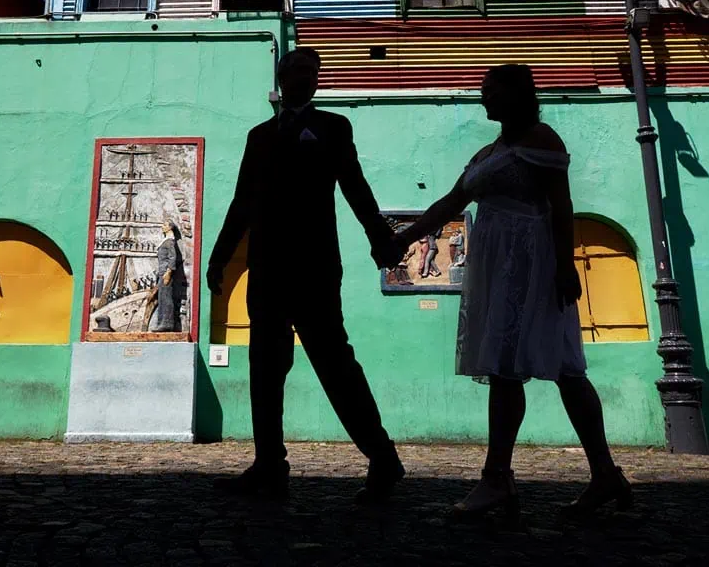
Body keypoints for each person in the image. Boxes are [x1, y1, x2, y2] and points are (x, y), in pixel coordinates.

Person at [393, 64, 631, 519]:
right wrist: (404, 238)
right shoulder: (488, 151)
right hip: (495, 263)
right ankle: (592, 475)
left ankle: (503, 479)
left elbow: (561, 206)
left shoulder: (543, 140)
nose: (483, 99)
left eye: (489, 91)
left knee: (557, 367)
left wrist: (565, 266)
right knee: (513, 368)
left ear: (516, 95)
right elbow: (451, 203)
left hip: (529, 260)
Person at [208, 47, 405, 504]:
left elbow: (355, 185)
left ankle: (382, 457)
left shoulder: (334, 127)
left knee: (335, 364)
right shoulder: (258, 137)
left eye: (315, 72)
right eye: (300, 70)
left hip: (315, 268)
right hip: (268, 268)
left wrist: (379, 238)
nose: (310, 78)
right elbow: (242, 203)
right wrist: (220, 257)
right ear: (282, 77)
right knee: (265, 367)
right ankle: (269, 466)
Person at [150, 221, 186, 333]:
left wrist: (169, 272)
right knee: (161, 297)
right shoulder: (165, 241)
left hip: (166, 273)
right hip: (161, 272)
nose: (162, 226)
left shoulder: (170, 242)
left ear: (170, 227)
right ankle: (161, 322)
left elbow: (172, 257)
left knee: (166, 297)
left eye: (165, 225)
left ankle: (167, 323)